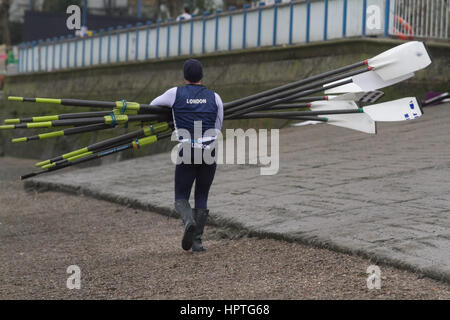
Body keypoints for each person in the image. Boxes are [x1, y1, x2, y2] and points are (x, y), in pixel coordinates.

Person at [150, 59, 224, 252]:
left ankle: (188, 220)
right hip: (210, 150)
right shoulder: (215, 97)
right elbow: (218, 126)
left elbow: (152, 106)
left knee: (180, 197)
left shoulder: (174, 93)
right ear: (201, 76)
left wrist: (171, 113)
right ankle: (197, 242)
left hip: (187, 149)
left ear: (184, 76)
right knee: (202, 195)